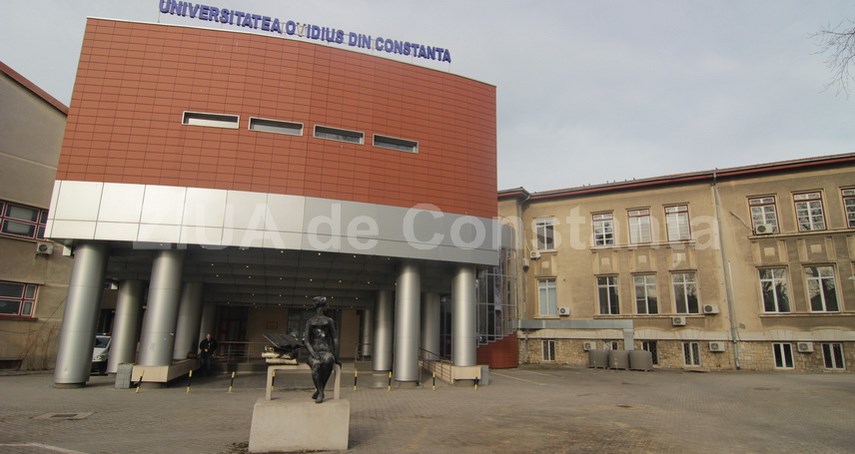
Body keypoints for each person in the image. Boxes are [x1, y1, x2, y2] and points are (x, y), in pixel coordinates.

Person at [304, 296, 340, 403]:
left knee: (329, 361)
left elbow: (334, 338)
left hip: (326, 350)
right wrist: (313, 353)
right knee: (316, 365)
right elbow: (306, 341)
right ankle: (321, 392)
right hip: (314, 351)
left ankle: (320, 390)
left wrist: (336, 356)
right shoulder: (310, 322)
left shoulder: (329, 321)